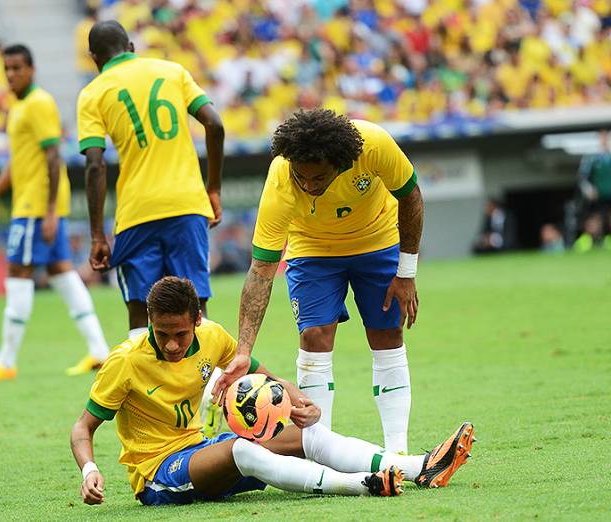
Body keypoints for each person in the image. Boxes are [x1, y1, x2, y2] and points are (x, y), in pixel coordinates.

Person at [70, 276, 474, 506]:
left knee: (305, 435)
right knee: (242, 449)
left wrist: (302, 404)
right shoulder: (125, 360)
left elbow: (267, 375)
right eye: (162, 334)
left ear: (196, 320)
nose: (172, 344)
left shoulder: (212, 337)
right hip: (159, 474)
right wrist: (90, 470)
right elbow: (82, 429)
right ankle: (363, 484)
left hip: (202, 447)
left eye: (180, 333)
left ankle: (420, 467)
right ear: (150, 322)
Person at [213, 109, 425, 455]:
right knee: (314, 335)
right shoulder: (281, 178)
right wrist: (244, 349)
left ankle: (397, 451)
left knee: (387, 333)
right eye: (303, 178)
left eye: (319, 178)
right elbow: (261, 270)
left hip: (378, 240)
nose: (309, 186)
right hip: (311, 249)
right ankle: (319, 449)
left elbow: (411, 197)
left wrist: (407, 273)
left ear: (342, 163)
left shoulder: (373, 144)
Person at [0, 44, 111, 382]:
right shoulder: (17, 107)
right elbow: (19, 162)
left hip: (34, 208)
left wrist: (47, 212)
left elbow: (53, 157)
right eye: (7, 69)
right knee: (62, 272)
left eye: (17, 68)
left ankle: (6, 360)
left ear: (31, 69)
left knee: (17, 273)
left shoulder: (39, 103)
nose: (11, 74)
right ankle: (99, 350)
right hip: (34, 205)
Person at [77, 21, 225, 341]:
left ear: (93, 58)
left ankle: (147, 388)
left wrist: (97, 235)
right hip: (187, 203)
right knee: (195, 302)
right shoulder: (173, 71)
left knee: (139, 306)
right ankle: (208, 388)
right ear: (131, 47)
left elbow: (94, 165)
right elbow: (214, 125)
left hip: (137, 211)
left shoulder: (92, 93)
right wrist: (212, 188)